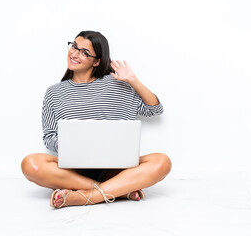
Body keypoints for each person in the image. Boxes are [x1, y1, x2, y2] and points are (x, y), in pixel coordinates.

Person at [21, 31, 171, 209]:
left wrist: (133, 80)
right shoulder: (54, 93)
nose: (75, 54)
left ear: (97, 61)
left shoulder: (118, 85)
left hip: (116, 168)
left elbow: (155, 109)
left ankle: (87, 197)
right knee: (30, 164)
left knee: (162, 162)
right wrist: (68, 145)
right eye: (74, 46)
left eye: (84, 52)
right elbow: (50, 136)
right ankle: (118, 191)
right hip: (73, 170)